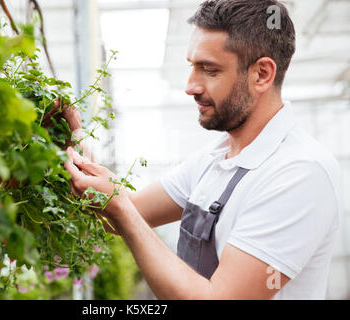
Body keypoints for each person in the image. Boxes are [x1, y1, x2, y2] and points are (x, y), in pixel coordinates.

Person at [61, 0, 344, 299]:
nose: (190, 86)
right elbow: (123, 212)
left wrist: (120, 208)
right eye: (192, 66)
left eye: (209, 69)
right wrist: (72, 138)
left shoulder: (298, 173)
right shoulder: (216, 158)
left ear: (261, 74)